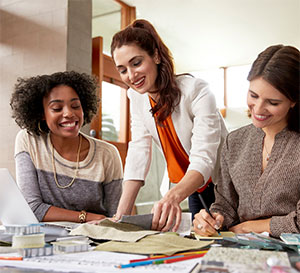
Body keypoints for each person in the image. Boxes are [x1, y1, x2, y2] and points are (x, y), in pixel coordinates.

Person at [110, 19, 227, 232]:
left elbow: (204, 157)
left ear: (155, 56)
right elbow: (138, 152)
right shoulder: (137, 98)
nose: (131, 75)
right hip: (191, 186)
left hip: (221, 183)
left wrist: (171, 197)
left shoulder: (197, 90)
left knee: (222, 239)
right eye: (122, 69)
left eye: (136, 63)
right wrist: (121, 216)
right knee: (199, 238)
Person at [193, 45, 300, 238]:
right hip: (240, 249)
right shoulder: (235, 141)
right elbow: (225, 205)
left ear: (294, 101)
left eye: (273, 102)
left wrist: (249, 227)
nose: (258, 108)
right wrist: (212, 219)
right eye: (253, 95)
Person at [10, 71, 123, 223]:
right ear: (42, 113)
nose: (69, 113)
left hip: (94, 240)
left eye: (76, 106)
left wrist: (105, 221)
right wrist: (88, 217)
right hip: (45, 240)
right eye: (57, 108)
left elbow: (114, 217)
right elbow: (32, 209)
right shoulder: (29, 141)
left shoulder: (107, 154)